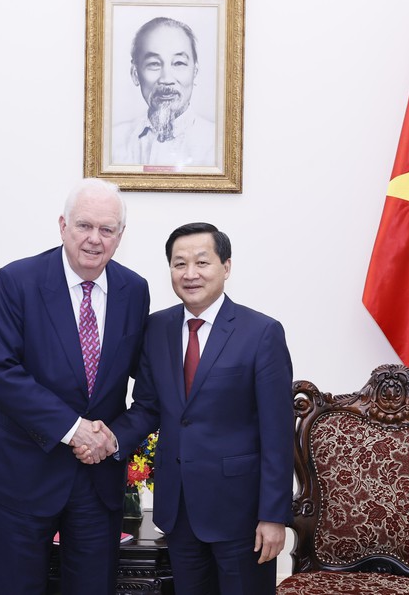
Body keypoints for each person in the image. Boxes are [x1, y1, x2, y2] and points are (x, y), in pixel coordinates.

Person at [77, 222, 294, 595]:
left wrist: (273, 516)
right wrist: (110, 439)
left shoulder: (261, 332)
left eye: (202, 262)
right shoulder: (156, 328)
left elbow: (277, 433)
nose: (190, 273)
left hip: (241, 514)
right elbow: (147, 407)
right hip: (178, 511)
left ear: (226, 267)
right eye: (179, 264)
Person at [0, 178, 150, 595]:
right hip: (22, 476)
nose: (94, 239)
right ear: (63, 225)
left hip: (97, 483)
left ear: (120, 235)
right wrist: (74, 429)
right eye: (84, 225)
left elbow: (147, 389)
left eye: (107, 229)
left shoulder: (134, 290)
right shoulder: (17, 281)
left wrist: (113, 438)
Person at [112, 17, 216, 169]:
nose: (166, 79)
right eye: (154, 64)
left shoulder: (218, 145)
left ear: (195, 72)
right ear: (135, 74)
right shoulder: (113, 142)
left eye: (179, 63)